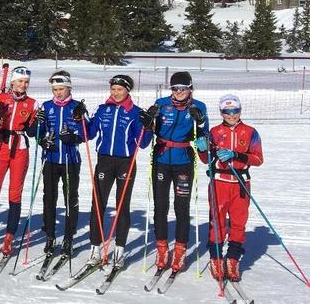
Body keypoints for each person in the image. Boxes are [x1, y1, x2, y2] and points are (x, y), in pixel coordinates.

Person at [73, 74, 153, 269]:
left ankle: (119, 249)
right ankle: (95, 248)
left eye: (120, 89)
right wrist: (79, 119)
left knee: (122, 206)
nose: (116, 93)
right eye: (113, 89)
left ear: (128, 91)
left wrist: (148, 125)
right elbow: (88, 134)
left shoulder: (135, 112)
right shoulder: (102, 110)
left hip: (126, 162)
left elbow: (142, 143)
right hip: (104, 162)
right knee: (98, 204)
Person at [197, 94, 263, 282]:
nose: (231, 115)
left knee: (238, 222)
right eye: (227, 112)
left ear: (240, 111)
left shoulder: (250, 132)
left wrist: (237, 155)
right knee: (216, 221)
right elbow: (206, 160)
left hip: (240, 183)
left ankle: (233, 259)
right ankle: (216, 258)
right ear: (221, 112)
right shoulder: (215, 132)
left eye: (235, 111)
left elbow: (258, 159)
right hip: (219, 182)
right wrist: (202, 149)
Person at [150, 71, 209, 273]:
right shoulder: (162, 103)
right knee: (160, 205)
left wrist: (200, 123)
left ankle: (180, 251)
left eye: (183, 88)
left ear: (190, 88)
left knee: (181, 207)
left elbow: (204, 135)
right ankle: (162, 249)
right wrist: (149, 119)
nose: (179, 92)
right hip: (161, 158)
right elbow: (149, 129)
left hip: (183, 159)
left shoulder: (198, 106)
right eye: (175, 88)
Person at [0, 66, 38, 257]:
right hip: (0, 146)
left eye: (26, 82)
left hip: (20, 149)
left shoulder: (33, 103)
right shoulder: (0, 99)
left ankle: (8, 238)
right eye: (19, 81)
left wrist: (37, 123)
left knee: (15, 194)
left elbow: (31, 132)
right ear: (12, 82)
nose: (23, 85)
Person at [36, 71, 84, 258]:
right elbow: (39, 131)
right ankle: (50, 235)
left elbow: (87, 132)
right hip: (51, 159)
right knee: (49, 198)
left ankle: (69, 237)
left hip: (71, 160)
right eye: (55, 89)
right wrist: (41, 139)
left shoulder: (77, 106)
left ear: (69, 88)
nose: (58, 93)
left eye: (61, 89)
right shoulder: (47, 106)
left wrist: (74, 136)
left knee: (70, 197)